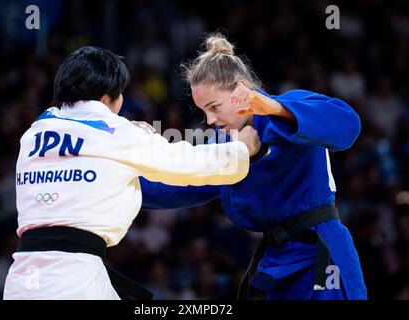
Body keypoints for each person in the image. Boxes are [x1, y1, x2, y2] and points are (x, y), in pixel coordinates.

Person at [3, 46, 260, 300]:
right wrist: (240, 150)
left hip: (22, 279)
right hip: (75, 282)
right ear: (107, 97)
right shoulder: (115, 131)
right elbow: (186, 164)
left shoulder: (33, 134)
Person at [140, 34, 368, 300]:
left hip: (320, 252)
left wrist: (275, 108)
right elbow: (181, 183)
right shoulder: (224, 144)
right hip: (277, 262)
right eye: (204, 111)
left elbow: (348, 126)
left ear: (240, 91)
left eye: (214, 107)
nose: (210, 120)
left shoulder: (289, 108)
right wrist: (113, 176)